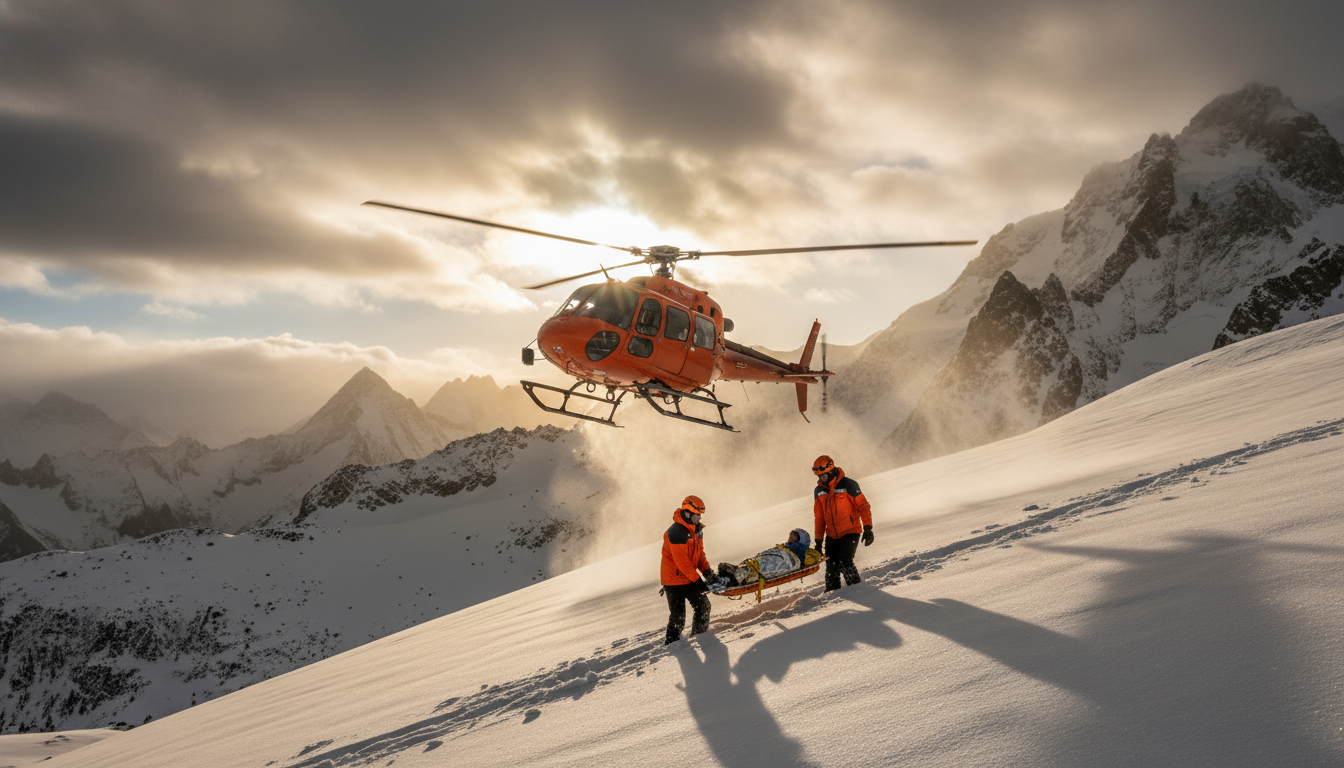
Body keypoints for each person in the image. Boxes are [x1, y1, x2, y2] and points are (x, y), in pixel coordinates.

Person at [812, 455, 874, 592]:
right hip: (832, 535)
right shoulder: (819, 491)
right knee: (831, 566)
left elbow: (863, 506)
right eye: (819, 477)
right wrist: (818, 542)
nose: (821, 479)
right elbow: (819, 518)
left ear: (831, 471)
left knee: (845, 562)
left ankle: (858, 590)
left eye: (823, 476)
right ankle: (832, 594)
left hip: (851, 531)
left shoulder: (848, 484)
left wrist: (868, 528)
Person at [660, 495, 715, 644]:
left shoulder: (697, 530)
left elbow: (699, 554)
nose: (699, 519)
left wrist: (707, 571)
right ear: (688, 513)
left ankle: (700, 637)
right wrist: (698, 581)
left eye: (700, 515)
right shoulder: (675, 532)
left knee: (703, 606)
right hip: (673, 581)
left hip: (689, 577)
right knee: (678, 617)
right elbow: (682, 562)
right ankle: (671, 645)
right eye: (697, 515)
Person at [715, 529, 813, 588]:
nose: (790, 538)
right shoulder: (786, 547)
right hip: (768, 560)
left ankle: (737, 576)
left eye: (794, 537)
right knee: (758, 561)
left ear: (801, 541)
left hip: (781, 561)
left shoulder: (798, 551)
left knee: (763, 566)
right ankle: (739, 571)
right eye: (790, 535)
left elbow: (787, 563)